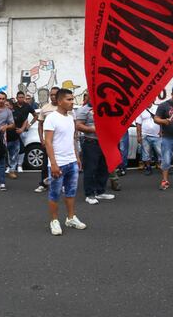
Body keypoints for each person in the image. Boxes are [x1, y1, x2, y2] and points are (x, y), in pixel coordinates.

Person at [43, 88, 86, 235]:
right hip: (58, 163)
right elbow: (48, 142)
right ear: (60, 101)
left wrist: (77, 157)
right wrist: (53, 164)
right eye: (69, 99)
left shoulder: (70, 117)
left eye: (72, 99)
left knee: (71, 192)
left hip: (71, 161)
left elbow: (72, 139)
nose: (72, 102)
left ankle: (71, 218)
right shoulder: (51, 118)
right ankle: (54, 221)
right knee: (54, 194)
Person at [75, 97, 114, 205]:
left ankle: (100, 191)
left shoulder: (106, 108)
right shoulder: (84, 110)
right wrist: (93, 129)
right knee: (90, 169)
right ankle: (89, 194)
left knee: (104, 168)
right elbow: (78, 125)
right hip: (90, 142)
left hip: (105, 143)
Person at [35, 87, 59, 193]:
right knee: (45, 164)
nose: (53, 97)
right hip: (48, 142)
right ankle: (44, 184)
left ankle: (60, 184)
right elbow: (40, 125)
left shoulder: (64, 107)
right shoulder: (45, 108)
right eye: (51, 95)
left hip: (60, 143)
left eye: (55, 94)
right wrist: (42, 139)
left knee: (61, 164)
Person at [7, 91, 33, 178]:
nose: (21, 99)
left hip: (21, 131)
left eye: (22, 97)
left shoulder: (27, 106)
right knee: (9, 151)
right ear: (17, 98)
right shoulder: (13, 106)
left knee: (21, 149)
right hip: (11, 132)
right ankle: (9, 166)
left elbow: (32, 117)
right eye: (19, 97)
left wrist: (27, 126)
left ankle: (19, 165)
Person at [135, 105, 162, 176]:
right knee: (146, 153)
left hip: (157, 135)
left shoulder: (157, 108)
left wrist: (161, 131)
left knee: (161, 152)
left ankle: (164, 167)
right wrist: (139, 136)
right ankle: (148, 167)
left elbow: (162, 120)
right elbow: (138, 124)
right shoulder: (140, 109)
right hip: (145, 135)